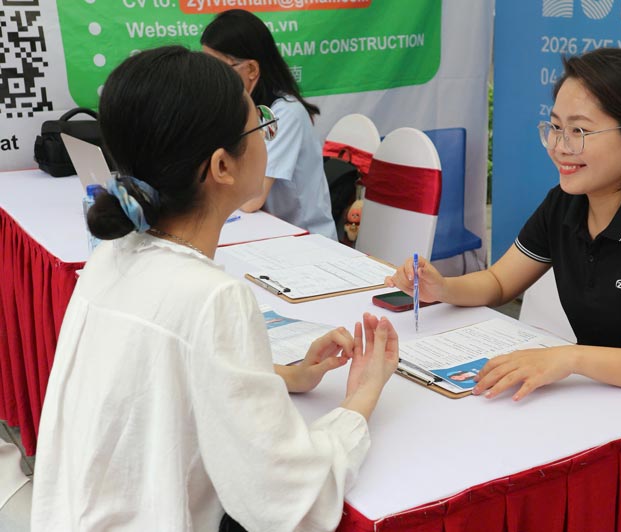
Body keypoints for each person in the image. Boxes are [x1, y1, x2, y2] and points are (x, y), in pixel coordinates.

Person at [31, 46, 399, 532]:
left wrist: (284, 376)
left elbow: (170, 373)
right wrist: (361, 400)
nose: (270, 132)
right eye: (259, 123)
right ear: (222, 167)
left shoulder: (110, 256)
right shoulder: (212, 298)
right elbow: (284, 501)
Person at [388, 48, 621, 406]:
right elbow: (500, 282)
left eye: (579, 131)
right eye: (556, 127)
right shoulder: (565, 203)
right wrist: (443, 288)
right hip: (597, 399)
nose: (560, 146)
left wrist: (571, 358)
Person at [201, 9, 338, 240]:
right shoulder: (234, 107)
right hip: (260, 231)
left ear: (252, 69)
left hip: (305, 239)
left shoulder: (285, 114)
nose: (210, 78)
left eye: (219, 68)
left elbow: (252, 198)